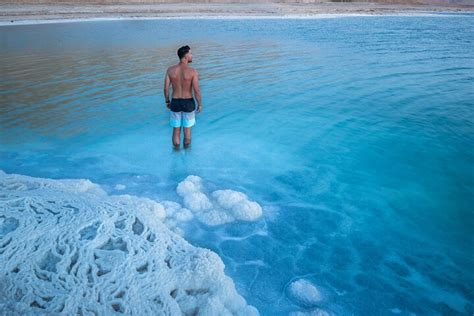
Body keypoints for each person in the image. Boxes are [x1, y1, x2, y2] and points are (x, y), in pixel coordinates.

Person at [164, 45, 202, 149]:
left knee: (176, 130)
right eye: (190, 53)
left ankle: (176, 151)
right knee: (187, 130)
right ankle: (187, 154)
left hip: (175, 102)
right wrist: (199, 104)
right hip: (188, 102)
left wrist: (167, 101)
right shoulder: (192, 71)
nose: (192, 55)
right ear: (185, 56)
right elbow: (197, 90)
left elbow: (166, 89)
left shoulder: (170, 70)